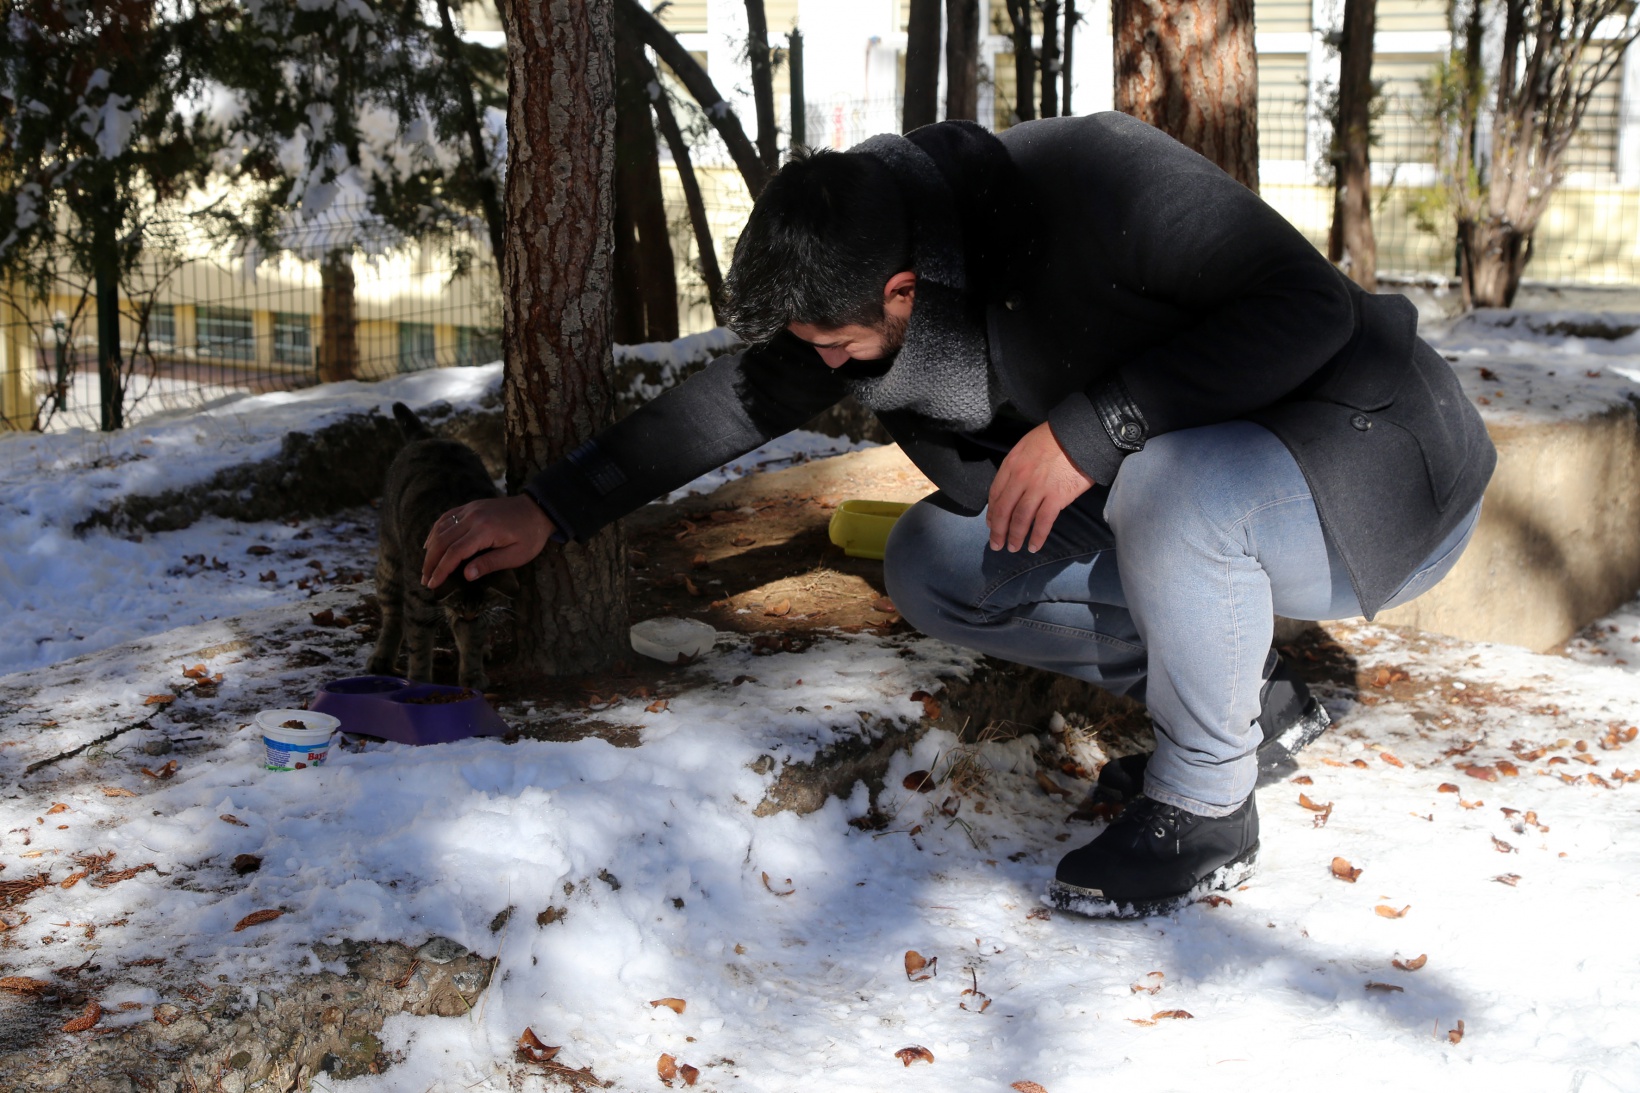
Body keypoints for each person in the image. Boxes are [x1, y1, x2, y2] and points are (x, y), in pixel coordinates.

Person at [419, 113, 1495, 919]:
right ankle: (1251, 698)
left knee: (1169, 481)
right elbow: (735, 401)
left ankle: (1207, 807)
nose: (820, 366)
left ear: (901, 290)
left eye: (831, 345)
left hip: (1376, 465)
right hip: (1204, 485)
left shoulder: (1096, 179)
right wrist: (551, 506)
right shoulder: (867, 265)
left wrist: (1095, 427)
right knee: (935, 558)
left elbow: (1307, 306)